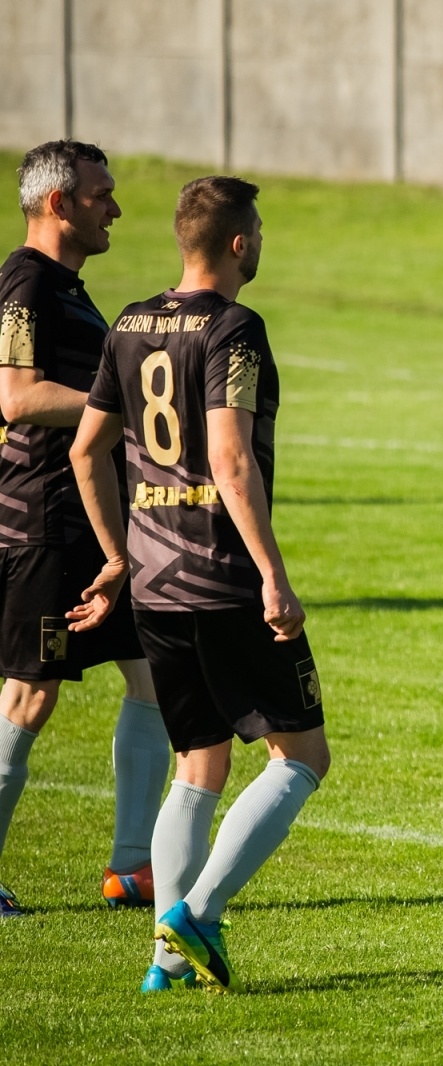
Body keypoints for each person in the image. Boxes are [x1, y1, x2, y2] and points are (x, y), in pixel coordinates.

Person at [69, 176, 329, 991]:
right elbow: (228, 457)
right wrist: (273, 576)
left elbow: (86, 451)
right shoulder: (235, 329)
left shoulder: (130, 321)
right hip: (219, 579)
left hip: (154, 582)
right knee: (300, 757)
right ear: (240, 242)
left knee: (198, 765)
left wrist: (117, 556)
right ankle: (198, 914)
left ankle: (163, 963)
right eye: (259, 229)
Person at [0, 140, 168, 918]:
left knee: (150, 679)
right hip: (44, 525)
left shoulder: (68, 289)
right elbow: (18, 400)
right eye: (101, 195)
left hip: (100, 528)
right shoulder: (26, 285)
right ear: (59, 204)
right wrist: (124, 399)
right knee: (30, 698)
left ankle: (132, 868)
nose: (116, 208)